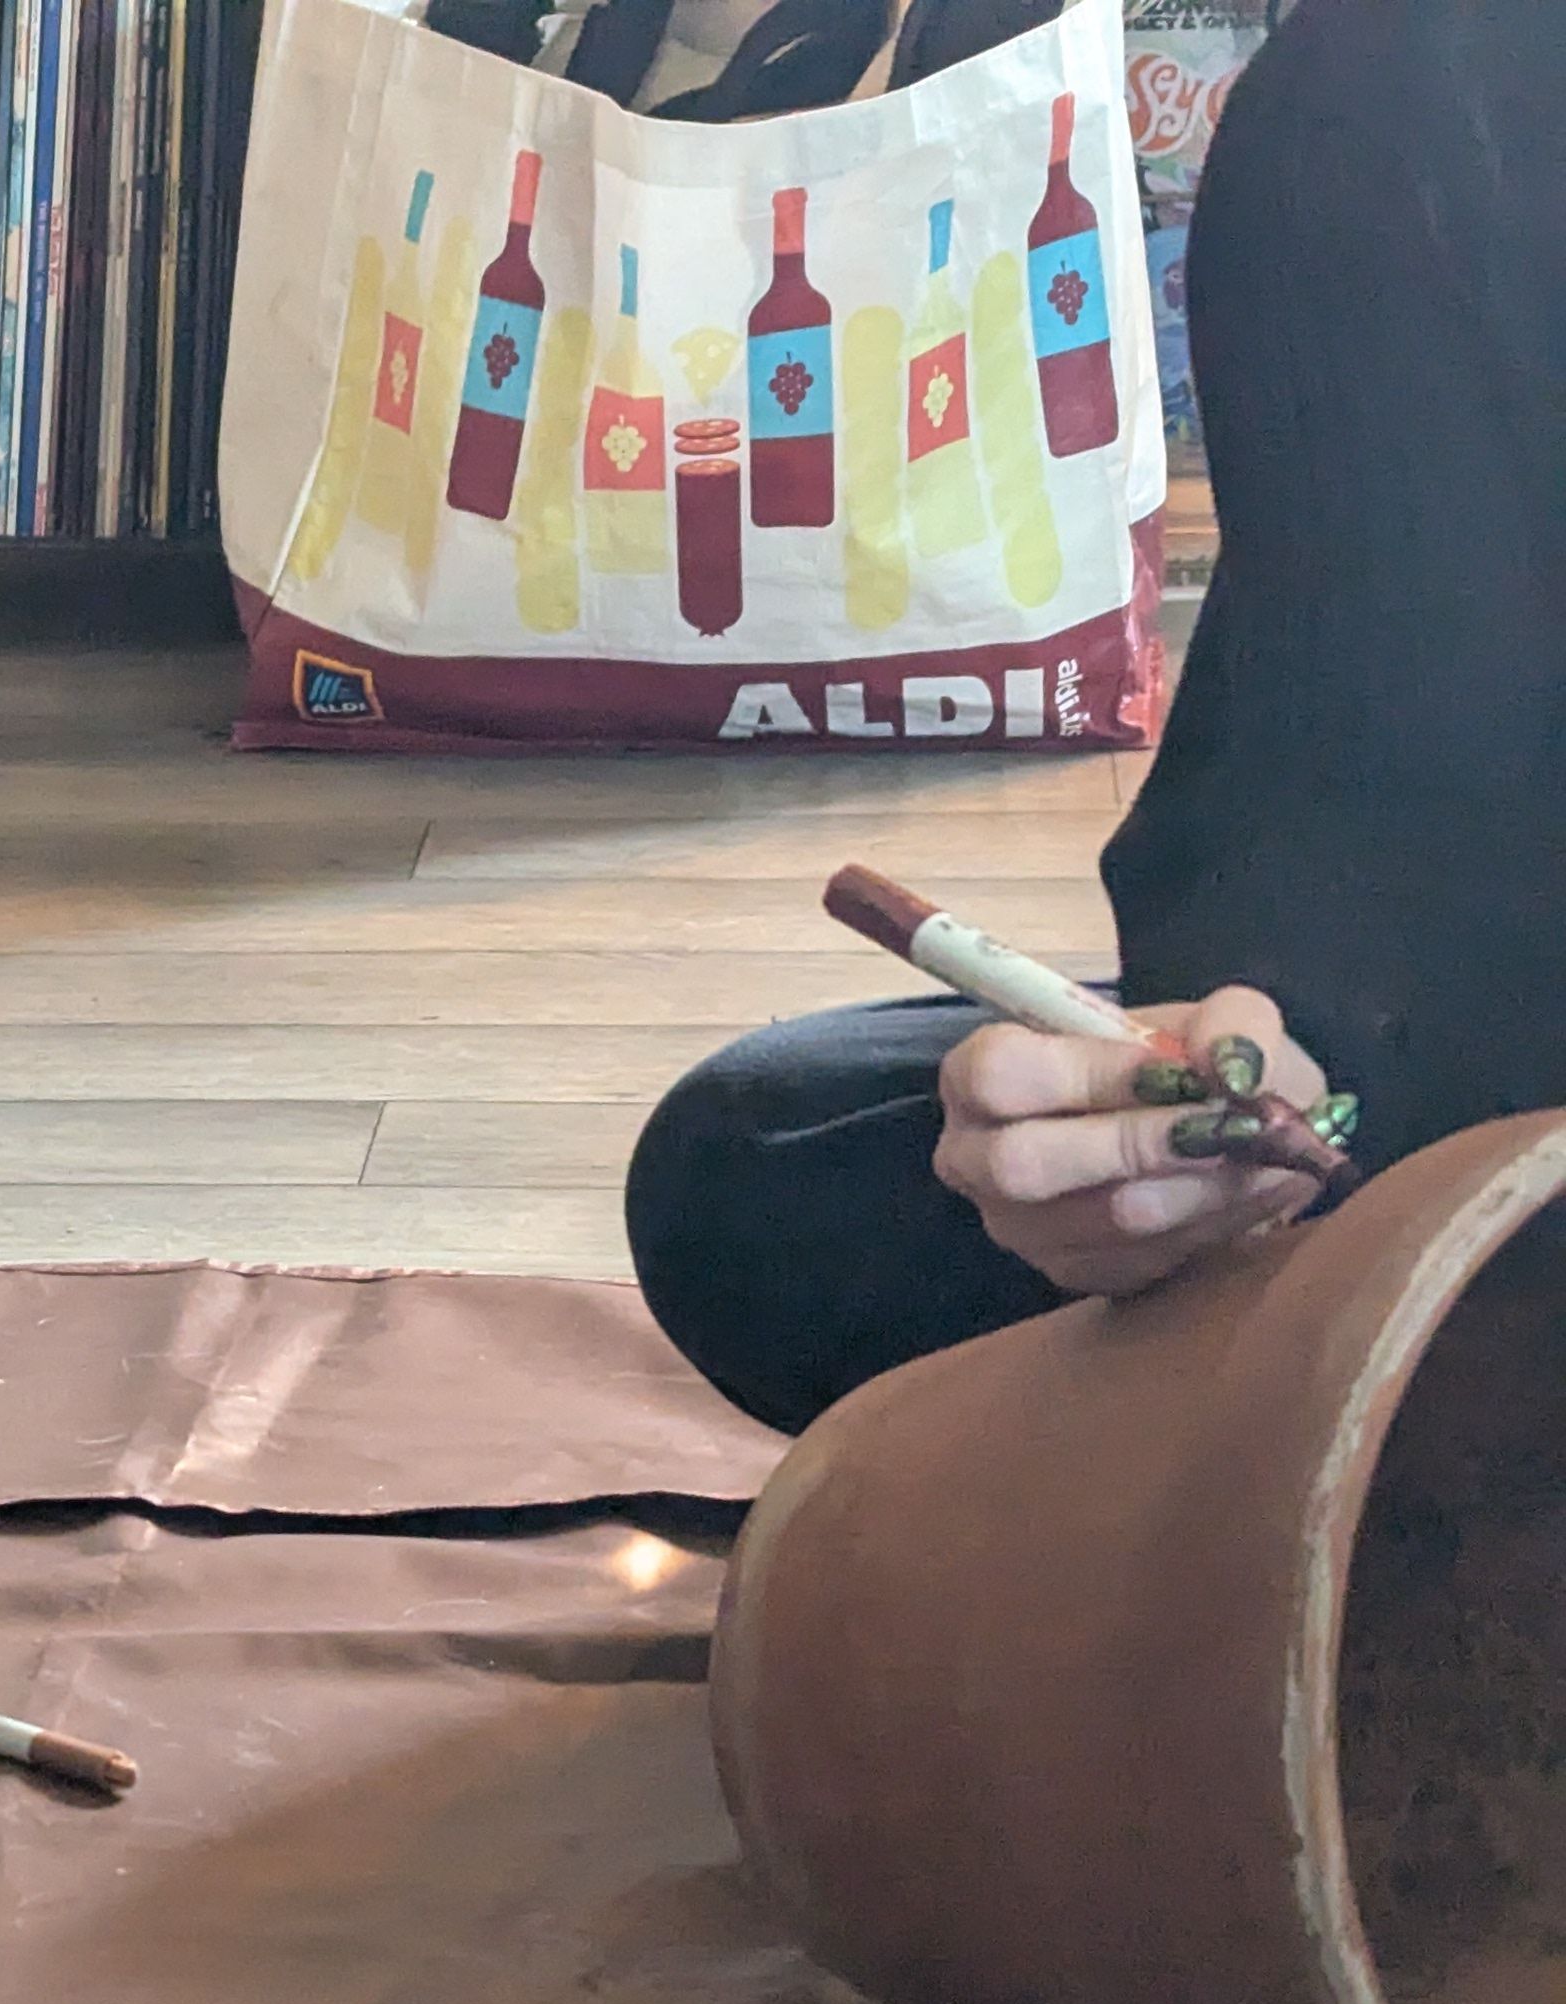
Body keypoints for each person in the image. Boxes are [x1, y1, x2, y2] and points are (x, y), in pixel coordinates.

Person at [623, 0, 1560, 1436]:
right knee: (759, 1166)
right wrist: (1264, 1066)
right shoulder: (1404, 85)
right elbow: (1348, 801)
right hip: (1497, 1125)